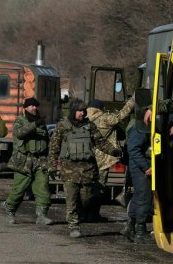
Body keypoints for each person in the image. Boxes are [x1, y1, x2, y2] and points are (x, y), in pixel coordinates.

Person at [48, 99, 122, 238]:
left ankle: (79, 215)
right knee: (72, 199)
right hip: (69, 170)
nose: (82, 113)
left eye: (84, 111)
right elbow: (54, 148)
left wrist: (113, 151)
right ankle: (73, 225)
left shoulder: (90, 126)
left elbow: (100, 142)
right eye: (79, 111)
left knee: (86, 198)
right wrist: (52, 166)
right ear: (73, 111)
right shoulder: (63, 126)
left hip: (87, 169)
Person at [2, 97, 52, 225]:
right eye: (31, 106)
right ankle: (10, 209)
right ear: (25, 108)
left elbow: (46, 140)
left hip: (40, 160)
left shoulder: (41, 122)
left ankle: (41, 215)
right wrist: (34, 125)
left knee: (43, 187)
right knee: (19, 189)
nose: (34, 108)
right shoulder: (20, 121)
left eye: (36, 106)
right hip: (24, 161)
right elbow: (19, 134)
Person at [86, 97, 135, 220]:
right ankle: (93, 214)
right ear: (99, 109)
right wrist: (133, 100)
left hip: (88, 158)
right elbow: (121, 115)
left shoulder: (85, 119)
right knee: (100, 187)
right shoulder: (104, 118)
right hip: (103, 159)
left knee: (89, 187)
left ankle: (85, 213)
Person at [121, 119, 153, 244]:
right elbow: (133, 149)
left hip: (142, 165)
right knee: (144, 197)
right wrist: (146, 167)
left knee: (139, 196)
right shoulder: (141, 127)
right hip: (140, 166)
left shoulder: (146, 125)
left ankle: (130, 227)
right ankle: (140, 231)